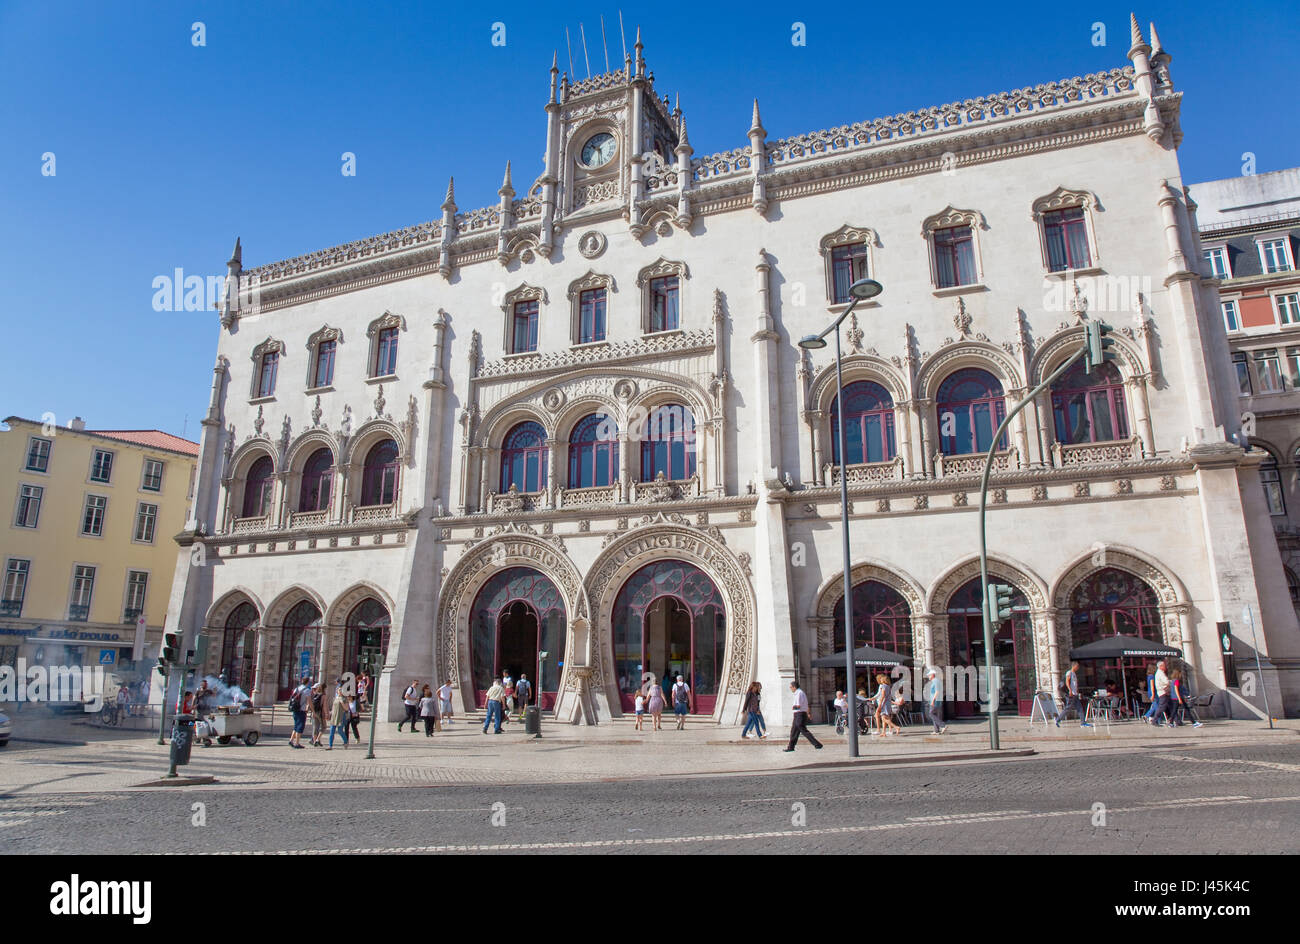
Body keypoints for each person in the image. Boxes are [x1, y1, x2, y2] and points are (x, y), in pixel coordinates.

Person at [784, 680, 823, 752]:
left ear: (794, 687)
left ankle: (817, 744)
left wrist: (793, 707)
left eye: (791, 687)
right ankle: (791, 747)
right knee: (793, 732)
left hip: (799, 714)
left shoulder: (799, 693)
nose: (790, 689)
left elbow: (798, 706)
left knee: (804, 731)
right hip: (798, 714)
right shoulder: (798, 693)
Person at [1055, 661, 1091, 728]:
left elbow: (1074, 684)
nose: (1078, 668)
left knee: (1079, 708)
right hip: (1071, 694)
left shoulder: (1074, 674)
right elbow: (1067, 682)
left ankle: (1083, 723)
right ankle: (1057, 719)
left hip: (1075, 694)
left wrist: (1076, 691)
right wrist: (1070, 691)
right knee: (1068, 708)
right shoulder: (1069, 673)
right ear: (1074, 666)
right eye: (1077, 666)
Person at [288, 675, 310, 748]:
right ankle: (297, 743)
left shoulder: (296, 688)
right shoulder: (307, 690)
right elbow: (309, 701)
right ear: (308, 682)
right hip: (301, 710)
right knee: (300, 727)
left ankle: (291, 740)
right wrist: (312, 710)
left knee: (296, 725)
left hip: (295, 709)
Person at [327, 685, 349, 749]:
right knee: (332, 731)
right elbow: (333, 707)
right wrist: (329, 713)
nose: (340, 691)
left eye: (341, 690)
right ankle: (330, 745)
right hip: (334, 716)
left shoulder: (345, 699)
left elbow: (346, 709)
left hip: (340, 716)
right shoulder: (336, 698)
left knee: (340, 731)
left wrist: (342, 703)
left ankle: (345, 741)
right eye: (339, 690)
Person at [1150, 660, 1172, 726]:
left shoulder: (1159, 673)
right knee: (1162, 707)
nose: (1165, 667)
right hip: (1163, 692)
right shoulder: (1160, 673)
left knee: (1168, 706)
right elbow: (1166, 681)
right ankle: (1155, 720)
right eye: (1164, 666)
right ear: (1161, 666)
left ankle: (1172, 719)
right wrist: (1171, 682)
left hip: (1164, 692)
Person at [926, 668, 946, 734]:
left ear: (932, 675)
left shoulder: (936, 681)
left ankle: (943, 725)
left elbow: (937, 691)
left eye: (929, 675)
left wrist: (933, 700)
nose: (928, 676)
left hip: (935, 701)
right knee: (935, 715)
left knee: (931, 714)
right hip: (936, 700)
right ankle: (936, 730)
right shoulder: (935, 681)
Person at [309, 682, 326, 746]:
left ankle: (315, 741)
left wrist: (312, 711)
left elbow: (310, 703)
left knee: (315, 727)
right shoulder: (323, 695)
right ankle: (317, 740)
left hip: (314, 712)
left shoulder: (314, 695)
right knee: (324, 726)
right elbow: (324, 706)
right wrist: (326, 713)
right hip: (320, 712)